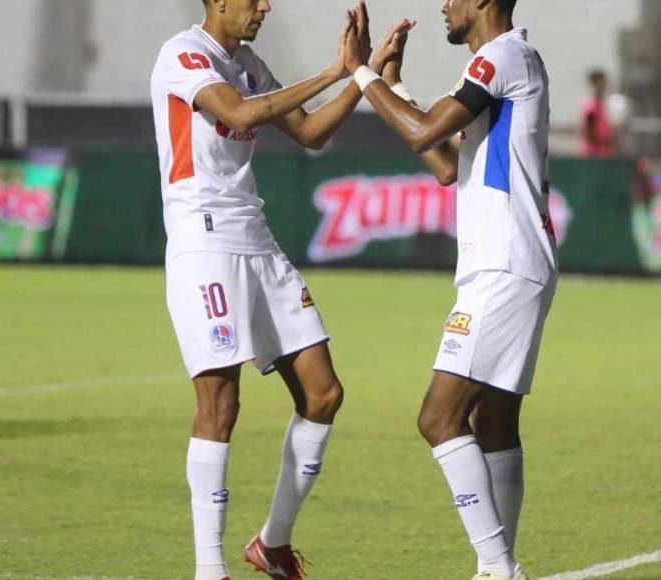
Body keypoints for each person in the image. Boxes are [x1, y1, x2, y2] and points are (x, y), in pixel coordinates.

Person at [150, 2, 410, 578]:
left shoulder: (247, 61)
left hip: (255, 238)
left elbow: (312, 133)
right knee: (221, 402)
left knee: (323, 393)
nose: (264, 5)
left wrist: (360, 77)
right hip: (204, 243)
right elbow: (239, 114)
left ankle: (272, 543)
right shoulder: (183, 55)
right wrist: (334, 70)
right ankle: (208, 568)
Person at [342, 0, 557, 578]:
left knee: (438, 419)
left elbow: (423, 130)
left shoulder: (500, 57)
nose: (444, 5)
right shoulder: (512, 62)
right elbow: (445, 163)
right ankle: (495, 568)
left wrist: (360, 72)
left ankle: (499, 567)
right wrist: (393, 83)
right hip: (518, 262)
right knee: (493, 425)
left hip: (503, 265)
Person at [580, 69, 615, 158]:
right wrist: (607, 140)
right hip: (594, 154)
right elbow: (589, 134)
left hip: (604, 153)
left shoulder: (602, 105)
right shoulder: (591, 107)